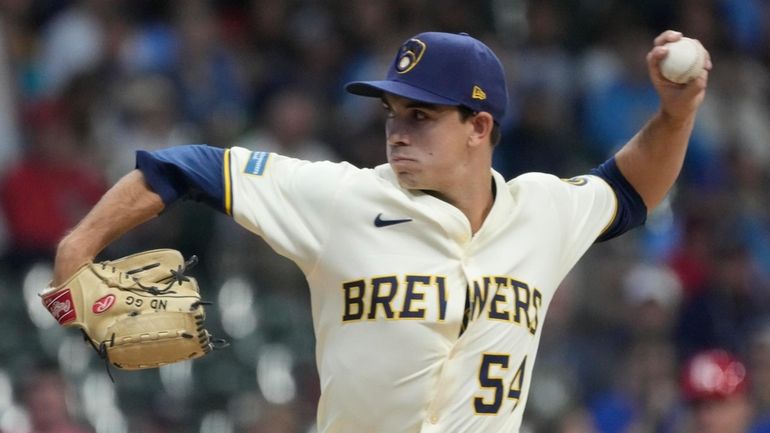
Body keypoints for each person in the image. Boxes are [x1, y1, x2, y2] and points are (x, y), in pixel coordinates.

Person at [50, 30, 710, 433]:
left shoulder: (541, 210)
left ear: (478, 127)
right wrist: (78, 246)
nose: (397, 128)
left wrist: (677, 115)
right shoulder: (342, 196)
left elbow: (629, 188)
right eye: (392, 111)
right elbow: (185, 165)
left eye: (420, 115)